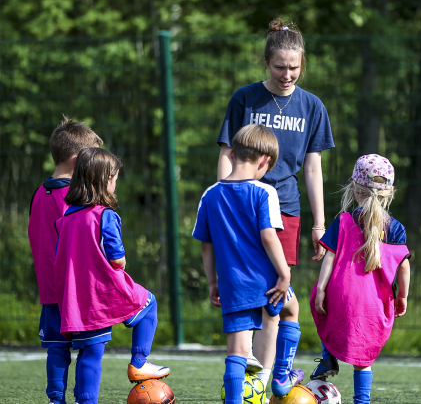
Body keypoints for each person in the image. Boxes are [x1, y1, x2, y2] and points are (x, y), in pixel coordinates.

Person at [215, 17, 335, 385]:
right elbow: (226, 153)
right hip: (242, 206)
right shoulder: (245, 98)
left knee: (274, 293)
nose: (287, 74)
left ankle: (262, 379)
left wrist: (319, 224)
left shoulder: (313, 107)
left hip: (284, 208)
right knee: (243, 288)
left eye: (294, 68)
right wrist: (225, 198)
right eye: (280, 67)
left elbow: (312, 169)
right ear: (266, 62)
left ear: (303, 65)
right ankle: (244, 365)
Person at [195, 124, 305, 402]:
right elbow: (269, 237)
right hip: (266, 281)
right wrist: (284, 274)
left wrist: (212, 281)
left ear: (231, 154)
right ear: (265, 161)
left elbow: (206, 245)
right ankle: (280, 377)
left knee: (238, 350)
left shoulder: (210, 195)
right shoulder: (264, 192)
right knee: (291, 309)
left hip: (232, 284)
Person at [54, 147, 169, 404]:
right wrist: (122, 261)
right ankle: (139, 363)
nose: (116, 183)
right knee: (148, 304)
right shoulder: (105, 215)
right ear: (104, 180)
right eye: (115, 178)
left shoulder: (66, 218)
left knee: (90, 351)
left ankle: (86, 401)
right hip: (104, 289)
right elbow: (117, 259)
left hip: (76, 296)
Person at [309, 154, 412, 404]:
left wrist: (321, 288)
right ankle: (361, 401)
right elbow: (404, 267)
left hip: (340, 295)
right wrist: (402, 296)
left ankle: (328, 356)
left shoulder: (344, 220)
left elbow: (330, 257)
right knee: (363, 359)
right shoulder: (396, 229)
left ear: (355, 187)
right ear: (389, 193)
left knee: (327, 316)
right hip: (374, 304)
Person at [28, 117, 103, 404]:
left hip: (49, 290)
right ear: (77, 162)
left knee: (57, 349)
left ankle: (55, 399)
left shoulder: (39, 192)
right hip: (77, 291)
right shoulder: (74, 199)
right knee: (91, 349)